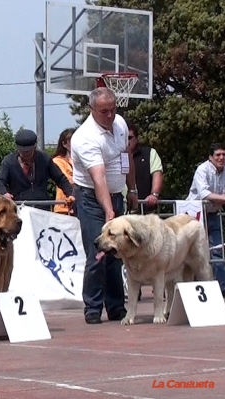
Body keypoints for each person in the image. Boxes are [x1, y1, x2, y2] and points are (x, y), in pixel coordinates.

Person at [71, 87, 137, 324]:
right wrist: (109, 212)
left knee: (117, 253)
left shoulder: (119, 123)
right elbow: (98, 179)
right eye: (104, 111)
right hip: (91, 198)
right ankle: (92, 307)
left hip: (117, 194)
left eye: (113, 109)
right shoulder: (84, 137)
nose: (110, 115)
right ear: (92, 110)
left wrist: (133, 189)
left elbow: (126, 155)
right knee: (98, 252)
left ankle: (116, 306)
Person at [186, 143, 225, 298]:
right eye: (218, 155)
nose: (221, 158)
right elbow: (204, 194)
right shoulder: (202, 170)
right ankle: (190, 285)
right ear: (210, 157)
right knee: (191, 250)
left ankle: (224, 286)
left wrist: (224, 198)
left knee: (218, 249)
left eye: (224, 155)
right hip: (193, 214)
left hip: (213, 213)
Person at [0, 129, 74, 210]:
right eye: (22, 151)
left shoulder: (44, 159)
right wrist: (4, 193)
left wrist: (70, 194)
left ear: (35, 146)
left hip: (42, 208)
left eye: (28, 151)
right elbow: (0, 182)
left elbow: (60, 178)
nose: (25, 154)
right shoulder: (9, 162)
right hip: (19, 208)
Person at [126, 122, 163, 213]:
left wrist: (154, 194)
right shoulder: (113, 156)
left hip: (145, 211)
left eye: (129, 138)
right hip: (121, 211)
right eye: (123, 138)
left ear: (137, 138)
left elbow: (157, 173)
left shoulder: (149, 153)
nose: (127, 141)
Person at [52, 128, 76, 215]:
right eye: (73, 140)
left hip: (80, 206)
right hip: (63, 208)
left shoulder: (80, 161)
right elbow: (67, 180)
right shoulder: (57, 161)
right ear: (64, 144)